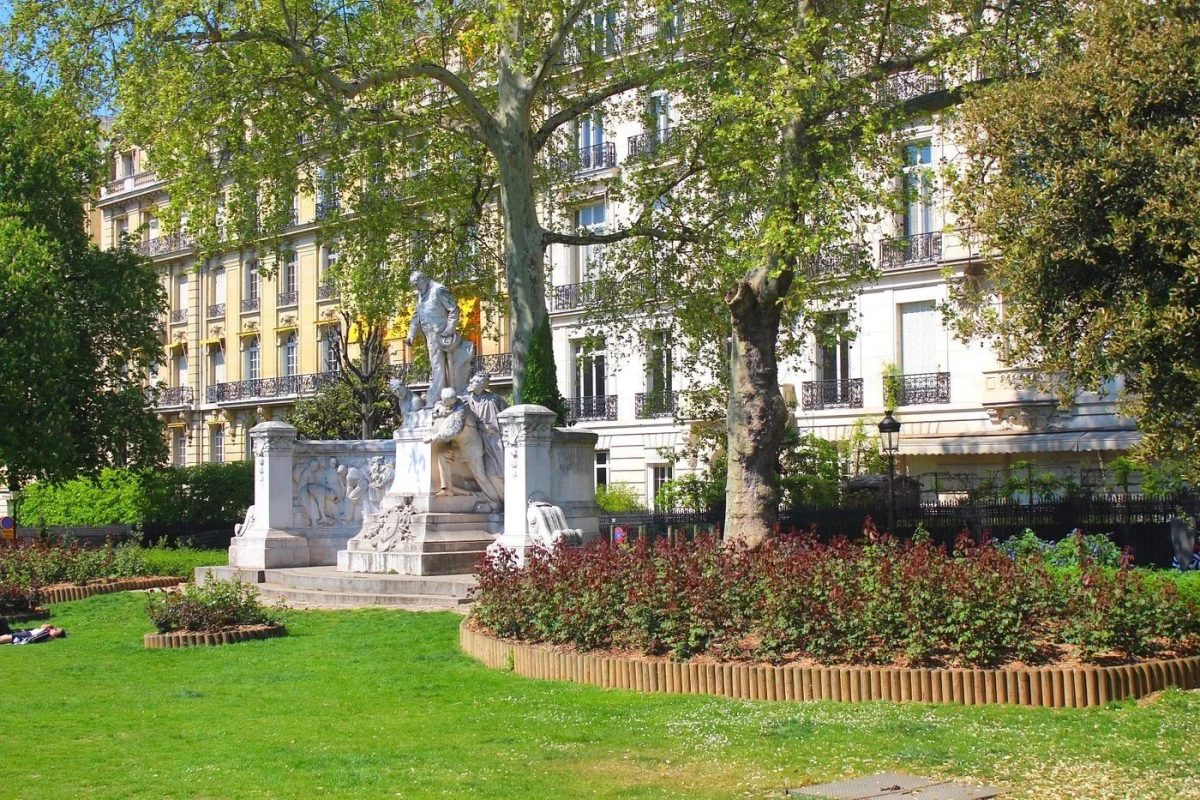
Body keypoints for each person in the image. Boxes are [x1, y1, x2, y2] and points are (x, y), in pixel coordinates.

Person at [404, 271, 475, 399]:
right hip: (429, 335)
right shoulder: (421, 294)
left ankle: (436, 395)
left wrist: (449, 330)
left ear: (423, 279)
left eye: (417, 284)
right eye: (414, 286)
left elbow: (454, 310)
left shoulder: (438, 290)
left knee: (437, 365)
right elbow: (416, 315)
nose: (417, 288)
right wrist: (411, 334)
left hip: (441, 335)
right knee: (436, 365)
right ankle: (442, 392)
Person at [0, 621, 67, 645]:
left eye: (56, 630)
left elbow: (32, 639)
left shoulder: (47, 634)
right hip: (22, 633)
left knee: (3, 638)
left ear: (56, 635)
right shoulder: (46, 632)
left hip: (25, 635)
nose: (54, 629)